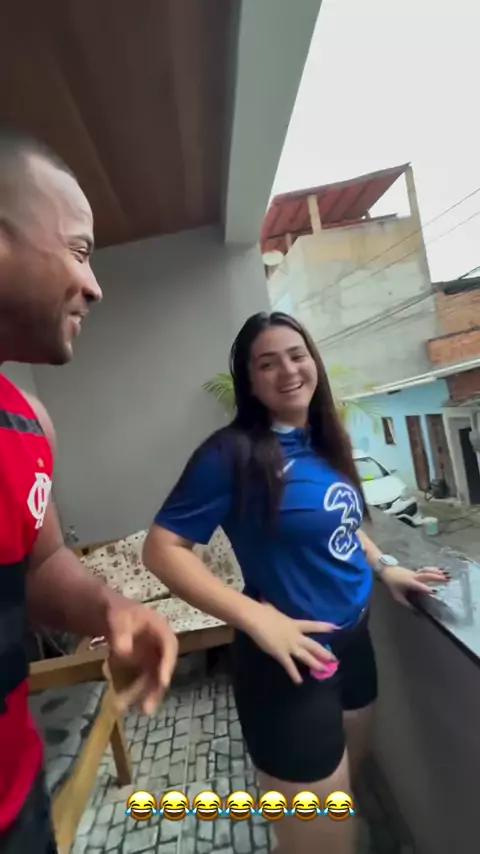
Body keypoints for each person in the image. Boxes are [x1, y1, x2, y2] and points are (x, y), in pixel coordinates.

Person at [143, 311, 449, 854]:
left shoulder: (324, 439)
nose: (288, 370)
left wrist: (385, 567)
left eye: (296, 355)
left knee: (340, 807)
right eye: (268, 363)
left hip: (353, 648)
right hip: (287, 667)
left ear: (313, 361)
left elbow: (342, 525)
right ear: (250, 381)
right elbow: (162, 549)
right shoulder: (231, 454)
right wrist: (257, 617)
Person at [0, 129, 178, 853]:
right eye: (78, 250)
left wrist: (112, 607)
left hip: (17, 810)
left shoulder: (28, 424)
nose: (96, 285)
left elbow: (39, 565)